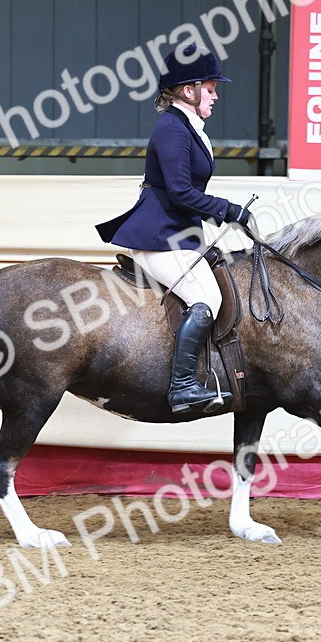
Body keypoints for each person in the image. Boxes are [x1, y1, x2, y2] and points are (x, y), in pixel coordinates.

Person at [95, 45, 253, 415]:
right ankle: (182, 386)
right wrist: (227, 210)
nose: (216, 95)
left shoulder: (188, 127)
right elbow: (181, 192)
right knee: (206, 300)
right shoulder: (171, 129)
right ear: (188, 90)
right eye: (211, 88)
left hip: (177, 233)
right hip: (158, 236)